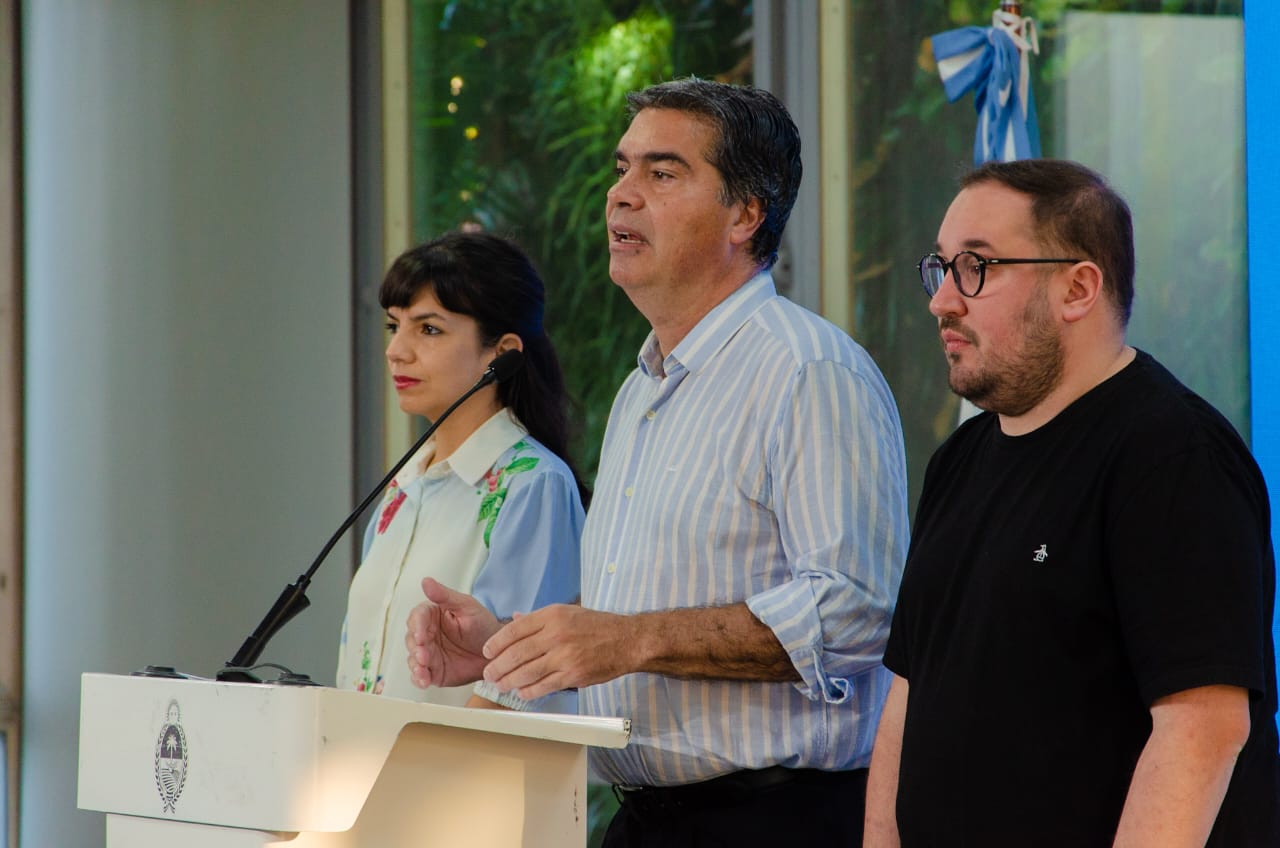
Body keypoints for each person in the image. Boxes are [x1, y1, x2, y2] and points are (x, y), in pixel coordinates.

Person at [404, 78, 910, 845]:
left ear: (745, 215)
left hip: (774, 820)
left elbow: (857, 612)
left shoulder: (808, 371)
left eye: (662, 172)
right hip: (641, 818)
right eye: (621, 168)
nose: (621, 194)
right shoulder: (641, 388)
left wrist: (631, 639)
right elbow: (631, 615)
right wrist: (510, 648)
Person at [865, 159, 1280, 846]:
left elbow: (1202, 727)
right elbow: (910, 691)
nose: (943, 301)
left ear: (1078, 288)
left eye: (976, 267)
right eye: (941, 267)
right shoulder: (958, 461)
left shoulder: (1173, 456)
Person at [335, 231, 585, 712]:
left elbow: (511, 693)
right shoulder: (402, 486)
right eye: (394, 326)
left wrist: (414, 765)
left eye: (428, 329)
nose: (396, 350)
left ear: (502, 352)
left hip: (447, 763)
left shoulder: (533, 484)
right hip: (365, 758)